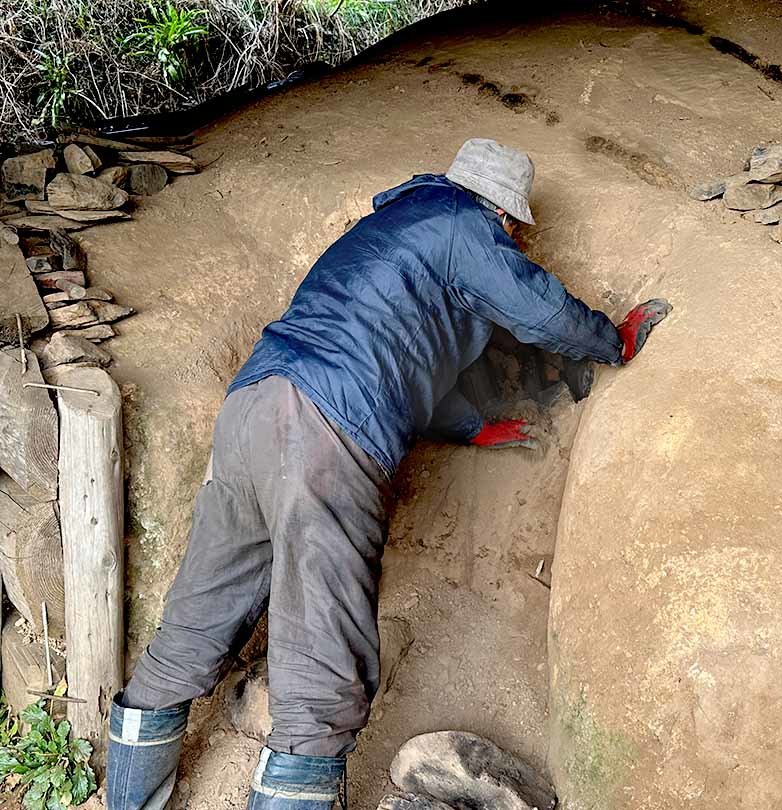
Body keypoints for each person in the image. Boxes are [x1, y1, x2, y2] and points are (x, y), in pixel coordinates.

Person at [106, 138, 671, 810]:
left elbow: (396, 357)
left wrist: (470, 426)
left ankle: (126, 797)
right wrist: (614, 340)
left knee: (202, 610)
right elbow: (541, 310)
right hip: (324, 436)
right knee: (322, 660)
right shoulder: (466, 227)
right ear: (502, 214)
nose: (517, 238)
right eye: (516, 228)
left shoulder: (390, 228)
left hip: (254, 406)